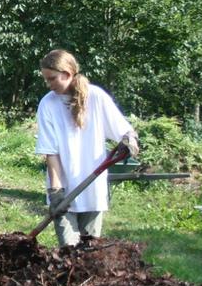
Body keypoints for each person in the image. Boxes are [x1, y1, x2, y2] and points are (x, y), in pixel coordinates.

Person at [35, 49, 139, 247]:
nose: (48, 84)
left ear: (67, 74)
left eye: (52, 79)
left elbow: (124, 131)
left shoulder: (97, 97)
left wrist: (130, 142)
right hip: (64, 192)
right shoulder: (47, 104)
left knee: (90, 252)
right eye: (46, 80)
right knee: (68, 250)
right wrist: (55, 191)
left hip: (93, 191)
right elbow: (51, 152)